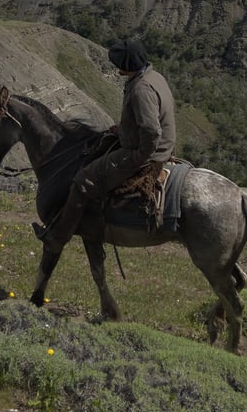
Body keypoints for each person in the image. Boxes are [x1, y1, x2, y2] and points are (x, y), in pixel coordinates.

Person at [37, 39, 176, 252]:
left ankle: (57, 237)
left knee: (82, 180)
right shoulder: (154, 77)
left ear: (126, 66)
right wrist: (122, 129)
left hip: (148, 152)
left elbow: (151, 130)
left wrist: (140, 156)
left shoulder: (140, 89)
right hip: (162, 144)